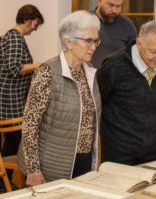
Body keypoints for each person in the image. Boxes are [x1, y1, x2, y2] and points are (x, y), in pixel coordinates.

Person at [17, 10, 101, 186]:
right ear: (68, 42)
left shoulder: (89, 71)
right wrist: (33, 169)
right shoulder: (48, 72)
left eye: (96, 40)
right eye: (88, 41)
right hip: (51, 166)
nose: (93, 46)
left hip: (84, 162)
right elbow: (30, 124)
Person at [97, 20, 156, 166]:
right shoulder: (114, 66)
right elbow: (98, 101)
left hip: (155, 149)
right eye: (153, 51)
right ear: (139, 43)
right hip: (119, 150)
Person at [0, 4, 44, 191]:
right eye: (35, 25)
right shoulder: (14, 37)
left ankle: (5, 181)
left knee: (13, 139)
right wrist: (40, 65)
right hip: (7, 97)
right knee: (17, 138)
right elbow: (15, 68)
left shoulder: (15, 37)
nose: (34, 29)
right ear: (29, 20)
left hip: (10, 96)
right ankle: (7, 180)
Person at [91, 0, 137, 68]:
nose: (114, 10)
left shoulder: (127, 25)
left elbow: (135, 57)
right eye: (110, 5)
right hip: (88, 75)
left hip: (117, 76)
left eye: (118, 6)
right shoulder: (86, 21)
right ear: (99, 1)